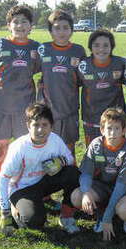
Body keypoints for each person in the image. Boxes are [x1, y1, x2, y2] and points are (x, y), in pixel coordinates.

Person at [0, 5, 41, 216]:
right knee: (0, 152)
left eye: (24, 21)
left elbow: (49, 73)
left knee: (24, 154)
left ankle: (19, 192)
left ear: (31, 26)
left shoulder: (36, 48)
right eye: (16, 21)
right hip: (0, 110)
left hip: (26, 112)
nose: (20, 25)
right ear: (9, 25)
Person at [0, 103, 80, 235]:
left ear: (51, 126)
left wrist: (60, 161)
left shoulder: (55, 140)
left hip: (43, 183)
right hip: (22, 189)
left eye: (44, 125)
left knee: (73, 173)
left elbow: (70, 159)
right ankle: (15, 209)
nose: (40, 130)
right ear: (28, 126)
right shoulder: (19, 147)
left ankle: (66, 216)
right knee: (35, 221)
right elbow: (3, 179)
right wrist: (4, 212)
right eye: (36, 125)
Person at [71, 108, 126, 241]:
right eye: (109, 128)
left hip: (122, 189)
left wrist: (108, 218)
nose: (112, 133)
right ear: (102, 130)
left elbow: (122, 185)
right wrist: (86, 192)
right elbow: (86, 174)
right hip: (102, 186)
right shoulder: (96, 145)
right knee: (77, 197)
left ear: (124, 130)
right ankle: (100, 212)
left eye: (117, 128)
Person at [37, 10, 86, 157]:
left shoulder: (78, 50)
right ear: (50, 31)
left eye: (65, 27)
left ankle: (69, 176)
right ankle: (48, 177)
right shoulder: (43, 49)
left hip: (69, 109)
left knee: (68, 148)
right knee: (47, 146)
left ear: (71, 30)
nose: (62, 32)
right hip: (47, 110)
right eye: (57, 28)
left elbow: (84, 78)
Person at [77, 29, 126, 146]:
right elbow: (70, 83)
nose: (101, 49)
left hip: (115, 119)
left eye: (105, 45)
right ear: (90, 47)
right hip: (91, 118)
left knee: (115, 152)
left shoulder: (120, 64)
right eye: (96, 45)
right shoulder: (83, 65)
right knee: (94, 151)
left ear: (111, 47)